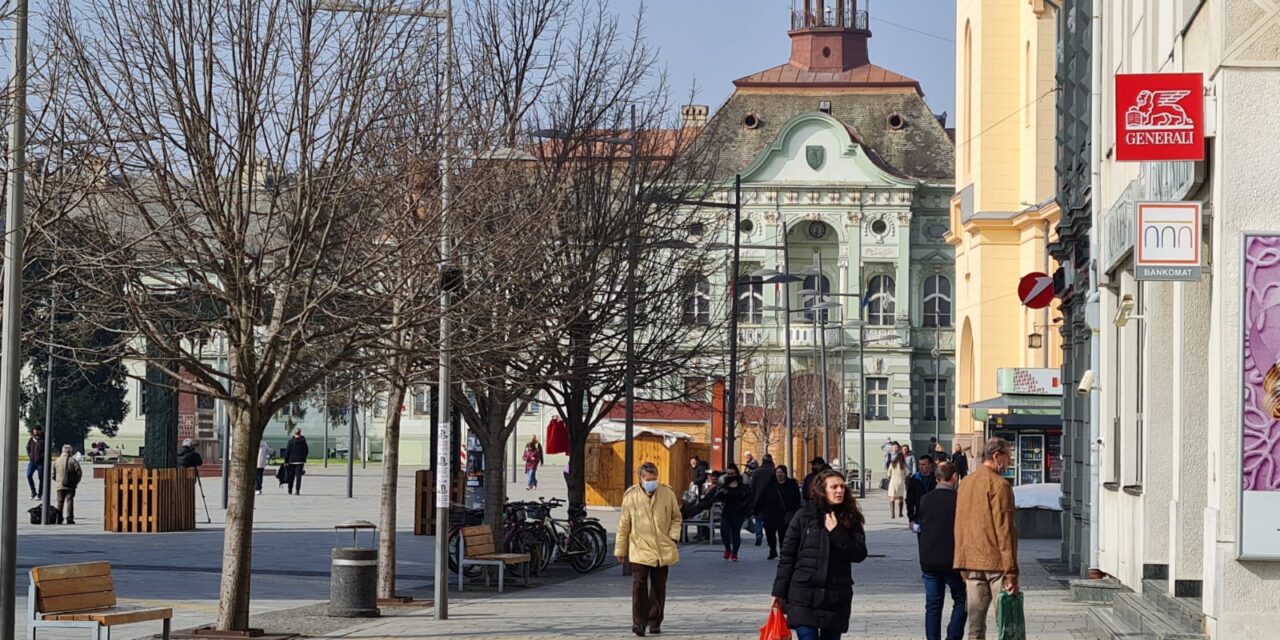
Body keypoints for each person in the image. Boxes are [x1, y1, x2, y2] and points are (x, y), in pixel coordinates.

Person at [772, 468, 868, 640]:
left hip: (835, 595)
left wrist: (836, 532)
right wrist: (779, 592)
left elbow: (859, 553)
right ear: (822, 489)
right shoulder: (804, 516)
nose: (840, 491)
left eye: (842, 487)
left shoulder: (849, 518)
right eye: (834, 487)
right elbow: (787, 556)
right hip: (803, 594)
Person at [954, 438, 1019, 639]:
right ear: (996, 456)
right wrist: (1011, 573)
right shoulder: (1000, 485)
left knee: (975, 625)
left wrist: (961, 561)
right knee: (1006, 623)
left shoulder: (965, 483)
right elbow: (1005, 529)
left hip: (971, 562)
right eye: (1008, 457)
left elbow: (959, 523)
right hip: (996, 563)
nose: (1009, 463)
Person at [615, 461, 682, 637]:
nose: (652, 482)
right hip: (640, 547)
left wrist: (673, 536)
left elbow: (676, 517)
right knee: (639, 586)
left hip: (662, 548)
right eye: (649, 479)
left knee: (659, 587)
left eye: (655, 479)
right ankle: (639, 622)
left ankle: (655, 620)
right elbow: (624, 524)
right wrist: (620, 549)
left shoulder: (667, 493)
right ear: (641, 478)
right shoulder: (631, 496)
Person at [917, 461, 966, 640]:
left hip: (929, 560)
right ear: (954, 477)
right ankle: (953, 636)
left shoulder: (925, 499)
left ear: (937, 478)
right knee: (962, 598)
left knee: (933, 605)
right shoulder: (959, 501)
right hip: (952, 560)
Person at [758, 464, 803, 560]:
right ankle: (773, 551)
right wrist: (756, 509)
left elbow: (796, 499)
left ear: (785, 474)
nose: (779, 474)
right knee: (770, 534)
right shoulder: (770, 485)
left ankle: (783, 552)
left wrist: (795, 512)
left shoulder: (791, 485)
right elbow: (762, 498)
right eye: (778, 472)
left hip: (785, 514)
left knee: (783, 534)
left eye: (781, 472)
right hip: (771, 514)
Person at [716, 463, 751, 561]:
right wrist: (722, 493)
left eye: (732, 474)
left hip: (739, 511)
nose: (730, 476)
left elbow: (749, 496)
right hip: (726, 510)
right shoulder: (724, 483)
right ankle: (727, 549)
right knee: (724, 531)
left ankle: (735, 553)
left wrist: (744, 505)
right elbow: (717, 496)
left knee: (736, 532)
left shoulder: (742, 483)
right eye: (728, 474)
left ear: (736, 473)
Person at [749, 453, 777, 547]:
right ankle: (770, 536)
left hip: (758, 498)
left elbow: (752, 486)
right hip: (772, 499)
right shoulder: (775, 471)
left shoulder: (757, 471)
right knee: (770, 519)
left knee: (758, 519)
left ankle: (759, 534)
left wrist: (752, 498)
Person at [51, 444, 82, 525]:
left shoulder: (57, 461)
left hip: (60, 485)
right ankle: (69, 518)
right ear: (70, 451)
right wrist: (76, 482)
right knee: (69, 501)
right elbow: (79, 473)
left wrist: (57, 480)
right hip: (70, 485)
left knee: (60, 502)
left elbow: (53, 474)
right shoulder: (73, 461)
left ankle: (59, 519)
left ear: (62, 451)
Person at [906, 454, 938, 525]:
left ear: (930, 465)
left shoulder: (936, 478)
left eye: (923, 464)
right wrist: (911, 517)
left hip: (934, 514)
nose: (921, 467)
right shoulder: (914, 479)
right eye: (919, 464)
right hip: (920, 514)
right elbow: (909, 499)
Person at [284, 428, 309, 495]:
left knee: (291, 476)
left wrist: (286, 461)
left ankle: (290, 489)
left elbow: (287, 452)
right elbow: (306, 450)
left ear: (294, 433)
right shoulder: (303, 441)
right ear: (300, 433)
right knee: (298, 477)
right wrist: (303, 457)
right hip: (300, 461)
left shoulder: (291, 441)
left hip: (291, 461)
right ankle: (297, 490)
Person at [26, 427, 46, 500]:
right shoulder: (31, 439)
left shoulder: (44, 440)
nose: (36, 433)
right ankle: (33, 492)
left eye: (37, 431)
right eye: (35, 431)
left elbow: (47, 450)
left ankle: (40, 494)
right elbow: (27, 447)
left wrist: (42, 456)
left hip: (41, 463)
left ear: (40, 431)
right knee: (29, 475)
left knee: (41, 478)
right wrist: (30, 455)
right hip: (32, 462)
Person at [887, 453, 908, 519]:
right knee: (901, 497)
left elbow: (888, 473)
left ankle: (892, 513)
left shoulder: (892, 464)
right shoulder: (903, 465)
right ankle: (900, 513)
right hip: (900, 482)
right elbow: (906, 474)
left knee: (892, 497)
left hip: (893, 482)